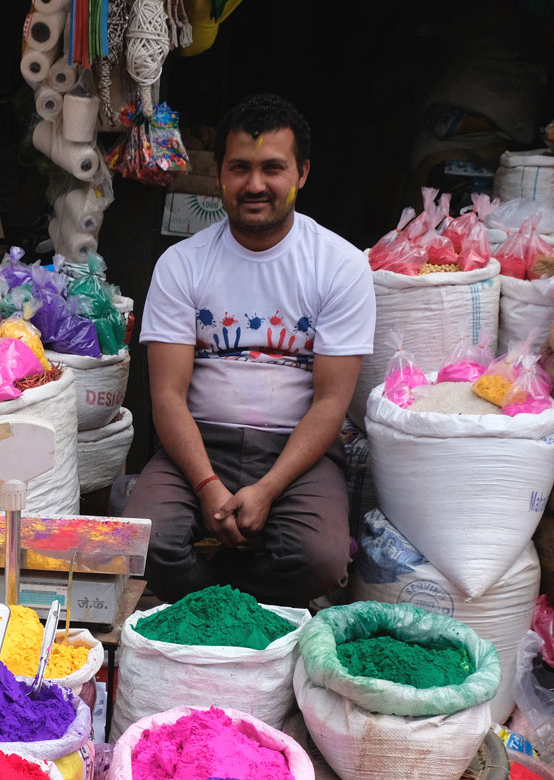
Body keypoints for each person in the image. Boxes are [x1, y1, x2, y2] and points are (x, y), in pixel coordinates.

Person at [125, 93, 374, 606]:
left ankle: (212, 603)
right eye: (240, 168)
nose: (255, 185)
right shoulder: (182, 264)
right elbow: (167, 397)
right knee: (140, 543)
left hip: (296, 452)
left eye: (272, 168)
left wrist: (268, 489)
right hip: (197, 445)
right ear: (219, 175)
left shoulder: (339, 265)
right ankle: (226, 608)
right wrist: (207, 485)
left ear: (302, 173)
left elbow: (331, 402)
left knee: (321, 560)